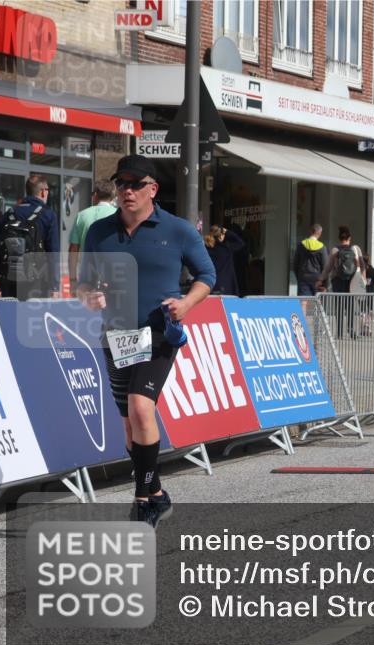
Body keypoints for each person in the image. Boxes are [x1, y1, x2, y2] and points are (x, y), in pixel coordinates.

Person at [77, 154, 215, 527]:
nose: (127, 191)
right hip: (116, 334)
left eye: (135, 184)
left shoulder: (178, 230)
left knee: (141, 408)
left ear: (152, 189)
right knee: (129, 425)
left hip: (157, 334)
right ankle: (156, 492)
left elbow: (207, 274)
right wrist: (89, 296)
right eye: (121, 184)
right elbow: (84, 281)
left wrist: (186, 302)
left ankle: (142, 501)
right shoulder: (99, 232)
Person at [0, 174, 60, 299]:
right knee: (34, 317)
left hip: (9, 279)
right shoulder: (48, 214)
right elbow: (53, 253)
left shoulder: (10, 213)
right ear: (42, 192)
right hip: (37, 281)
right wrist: (55, 286)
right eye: (47, 190)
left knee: (11, 317)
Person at [68, 179, 116, 289]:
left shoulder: (82, 215)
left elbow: (73, 249)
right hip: (113, 276)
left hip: (87, 275)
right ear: (112, 195)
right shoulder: (118, 215)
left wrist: (72, 279)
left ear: (95, 195)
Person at [321, 226, 367, 338]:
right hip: (352, 281)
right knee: (350, 305)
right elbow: (362, 265)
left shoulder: (335, 250)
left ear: (339, 238)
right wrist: (363, 280)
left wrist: (321, 279)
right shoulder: (356, 249)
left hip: (338, 281)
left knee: (339, 306)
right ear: (350, 238)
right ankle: (351, 331)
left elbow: (328, 267)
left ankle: (340, 332)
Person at [203, 224, 245, 295]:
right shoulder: (226, 248)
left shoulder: (206, 249)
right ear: (221, 236)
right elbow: (240, 243)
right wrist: (228, 232)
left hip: (210, 283)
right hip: (226, 284)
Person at [293, 223, 329, 296]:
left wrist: (299, 277)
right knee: (317, 302)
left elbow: (295, 264)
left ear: (310, 232)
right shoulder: (322, 247)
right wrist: (325, 284)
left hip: (303, 277)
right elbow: (325, 267)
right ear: (320, 233)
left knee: (303, 302)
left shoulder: (301, 245)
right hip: (317, 279)